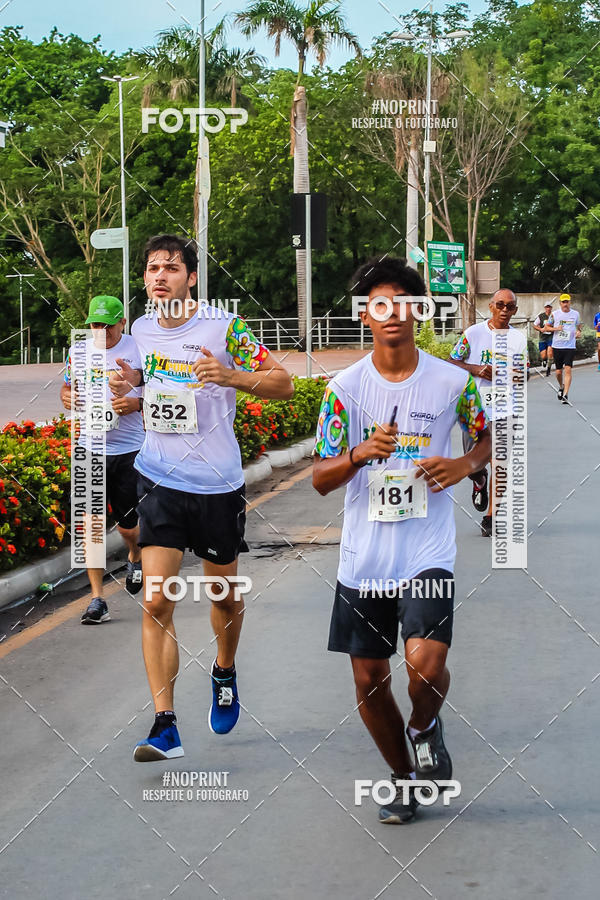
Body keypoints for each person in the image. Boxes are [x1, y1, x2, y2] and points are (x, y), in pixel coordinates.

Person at [312, 258, 490, 824]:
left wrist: (465, 463)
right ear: (366, 315)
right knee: (369, 680)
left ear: (418, 311)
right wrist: (358, 454)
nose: (391, 313)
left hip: (426, 551)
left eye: (402, 303)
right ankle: (403, 777)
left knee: (426, 668)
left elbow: (489, 439)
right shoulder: (344, 390)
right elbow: (319, 477)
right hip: (364, 559)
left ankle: (424, 726)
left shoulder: (453, 382)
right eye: (379, 303)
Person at [109, 234, 294, 762]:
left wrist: (232, 375)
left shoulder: (225, 327)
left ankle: (225, 669)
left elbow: (283, 383)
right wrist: (131, 393)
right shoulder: (141, 330)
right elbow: (148, 388)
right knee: (156, 600)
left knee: (224, 598)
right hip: (158, 479)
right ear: (144, 279)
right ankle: (165, 724)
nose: (160, 275)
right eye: (152, 268)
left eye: (171, 267)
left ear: (191, 277)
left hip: (216, 486)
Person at [61, 295, 145, 624]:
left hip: (129, 449)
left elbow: (157, 389)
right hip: (89, 447)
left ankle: (135, 555)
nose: (101, 332)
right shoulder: (79, 350)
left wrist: (136, 404)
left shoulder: (138, 348)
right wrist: (68, 397)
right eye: (95, 325)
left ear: (122, 323)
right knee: (89, 527)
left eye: (108, 326)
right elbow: (67, 389)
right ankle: (97, 599)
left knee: (128, 527)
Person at [449, 289, 521, 536]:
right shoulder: (473, 334)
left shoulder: (518, 339)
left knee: (500, 463)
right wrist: (476, 369)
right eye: (500, 304)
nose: (504, 310)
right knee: (473, 463)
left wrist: (517, 374)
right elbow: (451, 361)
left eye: (509, 306)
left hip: (505, 407)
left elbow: (525, 372)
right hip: (475, 409)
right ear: (490, 306)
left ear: (515, 311)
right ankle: (479, 480)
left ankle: (491, 517)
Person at [546, 293, 581, 404]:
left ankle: (565, 394)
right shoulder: (554, 314)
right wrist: (556, 328)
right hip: (557, 346)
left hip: (570, 346)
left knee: (568, 369)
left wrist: (578, 332)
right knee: (558, 372)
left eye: (567, 301)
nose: (565, 304)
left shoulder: (575, 314)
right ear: (560, 303)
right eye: (563, 302)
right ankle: (561, 386)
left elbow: (579, 327)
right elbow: (546, 327)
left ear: (570, 302)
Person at [533, 302, 554, 376]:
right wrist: (540, 329)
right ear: (545, 308)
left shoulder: (554, 315)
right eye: (547, 307)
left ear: (551, 308)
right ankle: (544, 360)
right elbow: (534, 325)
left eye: (549, 307)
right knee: (543, 355)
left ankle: (548, 370)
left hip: (551, 337)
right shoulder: (541, 316)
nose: (548, 308)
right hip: (542, 337)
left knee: (550, 353)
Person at [593, 304, 600, 371]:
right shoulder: (597, 316)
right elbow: (595, 327)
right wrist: (597, 325)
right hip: (599, 333)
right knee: (599, 348)